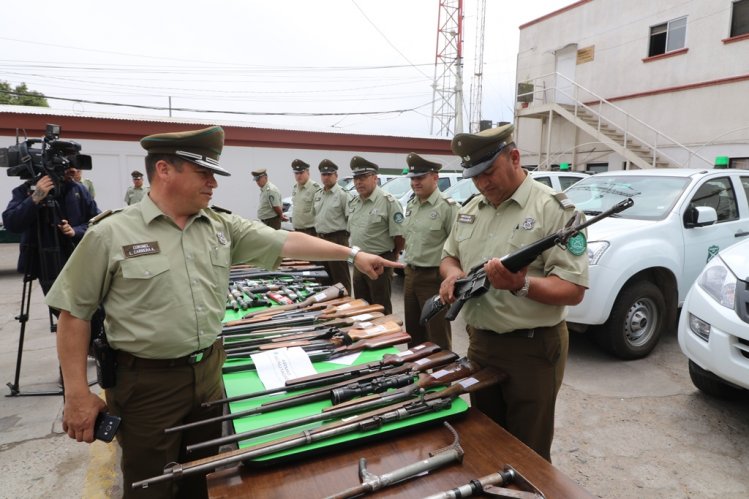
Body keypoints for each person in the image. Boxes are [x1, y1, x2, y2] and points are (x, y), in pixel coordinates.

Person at [45, 126, 400, 499]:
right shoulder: (111, 233)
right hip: (146, 385)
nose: (213, 183)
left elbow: (286, 240)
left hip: (208, 375)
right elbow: (74, 314)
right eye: (203, 173)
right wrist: (77, 394)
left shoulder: (220, 226)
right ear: (164, 170)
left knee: (201, 477)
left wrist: (353, 255)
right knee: (150, 485)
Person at [439, 124, 589, 462]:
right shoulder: (470, 209)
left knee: (527, 453)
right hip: (481, 343)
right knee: (486, 439)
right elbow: (449, 255)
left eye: (489, 172)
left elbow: (573, 288)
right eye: (474, 177)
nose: (482, 183)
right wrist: (452, 275)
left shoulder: (555, 210)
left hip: (532, 349)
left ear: (515, 157)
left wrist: (521, 285)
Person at [2, 166, 100, 294]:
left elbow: (97, 221)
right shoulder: (27, 189)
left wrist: (75, 231)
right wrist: (35, 197)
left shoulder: (78, 189)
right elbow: (12, 224)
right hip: (45, 263)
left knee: (91, 307)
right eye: (69, 169)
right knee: (61, 308)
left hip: (78, 259)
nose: (74, 172)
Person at [402, 153, 458, 350]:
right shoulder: (412, 204)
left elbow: (458, 248)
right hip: (411, 275)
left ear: (435, 177)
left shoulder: (447, 207)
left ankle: (442, 375)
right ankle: (417, 374)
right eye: (413, 179)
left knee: (437, 334)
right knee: (413, 333)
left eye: (420, 178)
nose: (415, 183)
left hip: (434, 278)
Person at [347, 156, 405, 315]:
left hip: (379, 262)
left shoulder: (388, 202)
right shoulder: (354, 202)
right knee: (361, 306)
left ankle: (386, 338)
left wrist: (392, 256)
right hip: (358, 260)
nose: (359, 182)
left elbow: (400, 236)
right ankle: (365, 337)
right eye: (356, 178)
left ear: (375, 178)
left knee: (380, 307)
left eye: (363, 177)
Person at [313, 159, 352, 294]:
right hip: (321, 238)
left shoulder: (342, 194)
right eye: (324, 174)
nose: (326, 177)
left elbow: (350, 219)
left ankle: (346, 305)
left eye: (329, 174)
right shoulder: (318, 194)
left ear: (336, 175)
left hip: (337, 238)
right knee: (324, 276)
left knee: (340, 277)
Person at [290, 159, 320, 235]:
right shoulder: (295, 188)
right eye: (296, 173)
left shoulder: (315, 188)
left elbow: (320, 213)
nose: (298, 175)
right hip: (297, 230)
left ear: (308, 172)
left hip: (310, 231)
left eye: (301, 172)